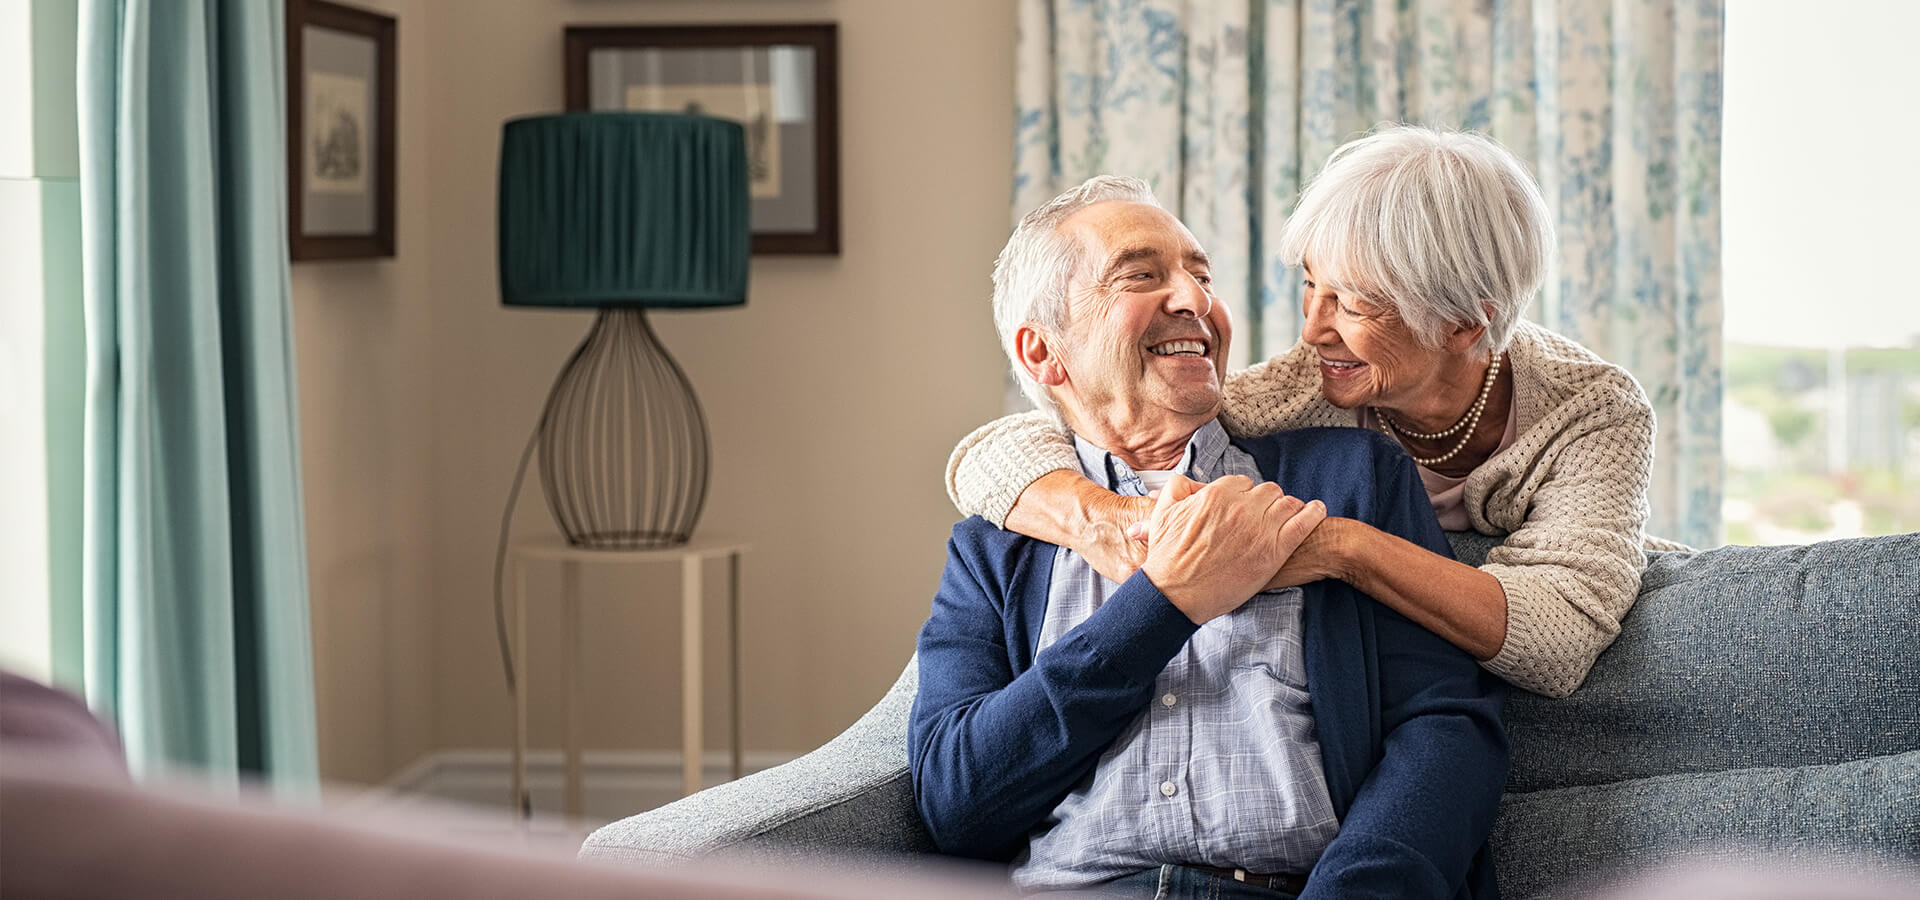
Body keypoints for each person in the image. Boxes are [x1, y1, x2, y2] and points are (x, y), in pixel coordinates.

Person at [909, 176, 1508, 899]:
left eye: (1201, 275)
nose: (1195, 299)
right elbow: (956, 804)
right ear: (1044, 354)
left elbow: (1445, 728)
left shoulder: (1349, 478)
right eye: (1141, 275)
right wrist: (1165, 604)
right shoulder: (996, 546)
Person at [946, 125, 1664, 698]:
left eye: (1352, 303)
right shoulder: (1307, 385)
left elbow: (1559, 638)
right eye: (1310, 286)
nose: (1314, 331)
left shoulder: (1591, 413)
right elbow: (999, 450)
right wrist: (1109, 520)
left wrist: (1340, 549)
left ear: (1463, 326)